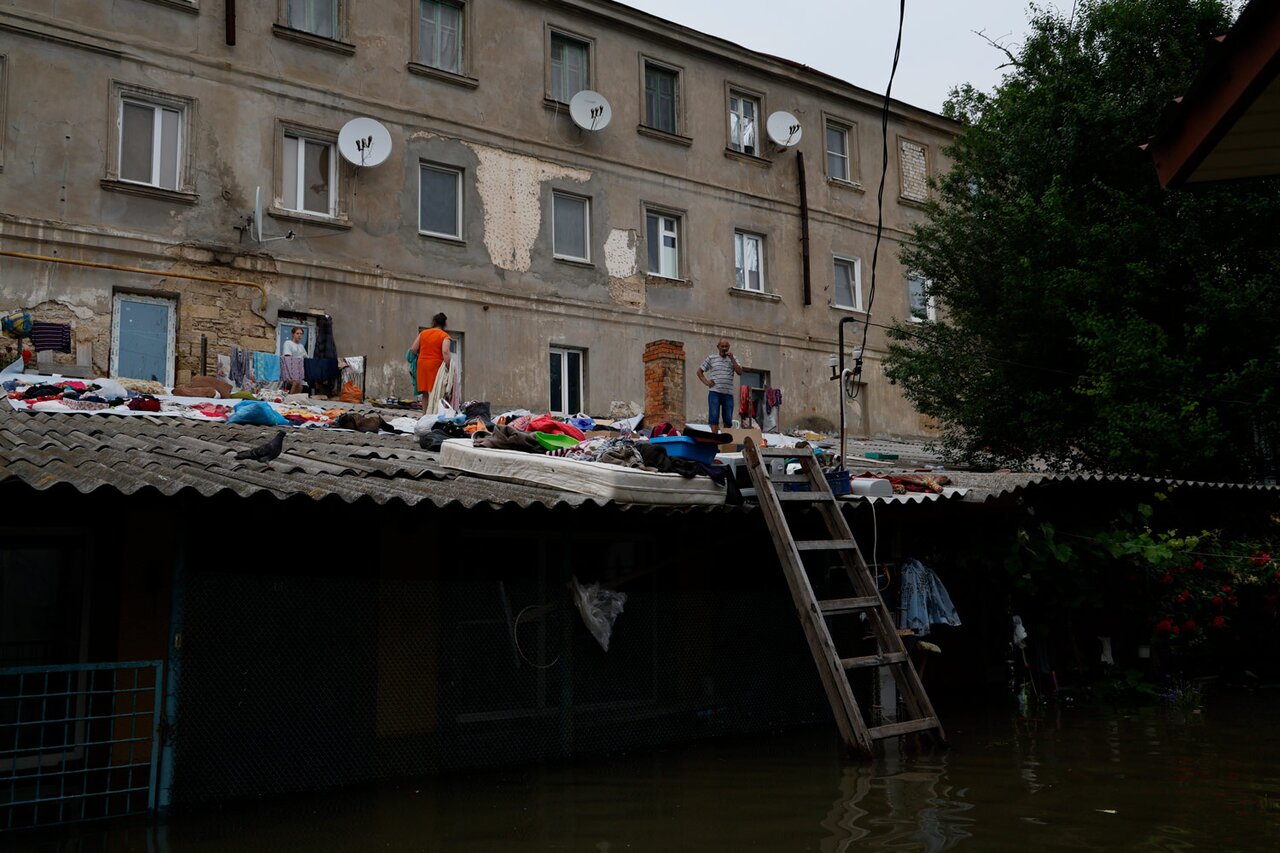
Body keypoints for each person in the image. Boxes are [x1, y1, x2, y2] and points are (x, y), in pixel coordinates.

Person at [696, 338, 742, 433]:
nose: (724, 348)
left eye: (726, 346)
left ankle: (725, 442)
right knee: (714, 417)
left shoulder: (734, 359)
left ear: (729, 347)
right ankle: (715, 440)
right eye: (722, 346)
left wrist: (732, 359)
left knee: (728, 420)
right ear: (718, 347)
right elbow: (699, 371)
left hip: (728, 393)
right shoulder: (711, 358)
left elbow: (740, 372)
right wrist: (706, 382)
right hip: (715, 392)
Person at [411, 312, 452, 413]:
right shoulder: (444, 336)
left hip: (422, 364)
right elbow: (445, 352)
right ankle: (434, 414)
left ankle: (424, 414)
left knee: (425, 392)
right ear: (444, 324)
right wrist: (448, 366)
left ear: (434, 322)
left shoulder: (423, 333)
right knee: (436, 391)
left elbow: (413, 349)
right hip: (436, 365)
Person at [281, 326, 307, 394]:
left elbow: (306, 357)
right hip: (290, 369)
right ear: (293, 334)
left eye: (301, 334)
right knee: (295, 383)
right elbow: (287, 357)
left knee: (300, 386)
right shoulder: (288, 343)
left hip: (299, 370)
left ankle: (295, 400)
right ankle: (290, 399)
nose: (299, 335)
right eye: (297, 333)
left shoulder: (301, 346)